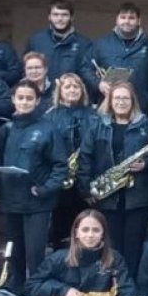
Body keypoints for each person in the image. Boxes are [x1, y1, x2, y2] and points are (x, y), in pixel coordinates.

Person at [0, 81, 67, 296]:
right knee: (14, 251)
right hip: (10, 200)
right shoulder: (5, 129)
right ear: (14, 100)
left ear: (36, 101)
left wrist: (46, 189)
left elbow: (60, 165)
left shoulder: (48, 129)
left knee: (35, 253)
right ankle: (17, 295)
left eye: (29, 98)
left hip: (37, 201)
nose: (24, 102)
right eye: (20, 97)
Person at [76, 81, 148, 279]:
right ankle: (112, 283)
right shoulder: (97, 125)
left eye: (125, 98)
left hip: (138, 196)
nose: (121, 102)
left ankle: (132, 286)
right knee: (111, 245)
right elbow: (86, 156)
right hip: (106, 193)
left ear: (133, 101)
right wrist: (85, 189)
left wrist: (145, 165)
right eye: (117, 98)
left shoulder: (145, 124)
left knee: (134, 244)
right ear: (110, 101)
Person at [82, 2, 148, 115]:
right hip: (108, 108)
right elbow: (85, 68)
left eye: (131, 18)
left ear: (139, 21)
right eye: (123, 17)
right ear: (117, 20)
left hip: (140, 110)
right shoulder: (101, 44)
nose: (127, 21)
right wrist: (98, 84)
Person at [45, 73, 95, 248]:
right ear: (60, 91)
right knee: (61, 226)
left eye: (76, 86)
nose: (72, 90)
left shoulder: (93, 114)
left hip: (86, 178)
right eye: (67, 87)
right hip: (61, 180)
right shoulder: (50, 116)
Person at [26, 0, 93, 81]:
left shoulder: (84, 44)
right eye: (55, 14)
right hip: (42, 92)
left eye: (64, 15)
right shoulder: (36, 41)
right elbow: (25, 69)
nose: (60, 18)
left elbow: (87, 74)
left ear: (72, 17)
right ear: (49, 17)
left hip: (69, 92)